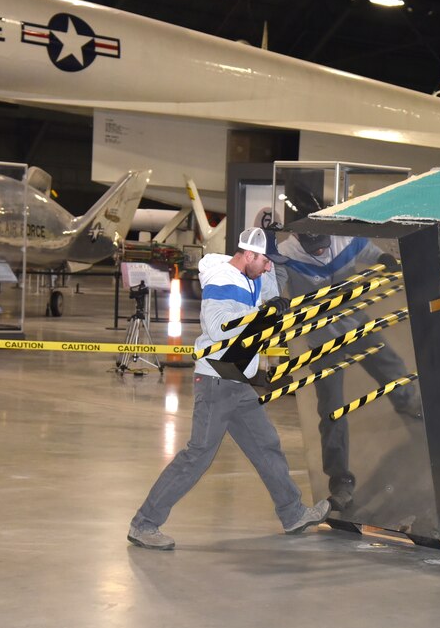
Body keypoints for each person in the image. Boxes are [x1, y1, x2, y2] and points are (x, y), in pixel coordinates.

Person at [127, 228, 331, 550]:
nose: (267, 268)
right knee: (198, 456)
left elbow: (266, 302)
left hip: (236, 377)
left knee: (266, 444)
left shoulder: (252, 275)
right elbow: (220, 326)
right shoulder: (223, 280)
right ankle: (144, 524)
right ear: (248, 255)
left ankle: (293, 513)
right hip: (216, 379)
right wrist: (264, 314)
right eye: (264, 261)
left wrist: (274, 297)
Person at [274, 231, 422, 510]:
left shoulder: (342, 240)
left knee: (393, 369)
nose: (319, 252)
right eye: (312, 248)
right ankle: (341, 482)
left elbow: (370, 253)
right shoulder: (287, 254)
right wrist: (274, 302)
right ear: (298, 238)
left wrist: (385, 258)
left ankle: (414, 412)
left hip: (357, 324)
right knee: (332, 412)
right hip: (323, 341)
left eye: (322, 245)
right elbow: (276, 283)